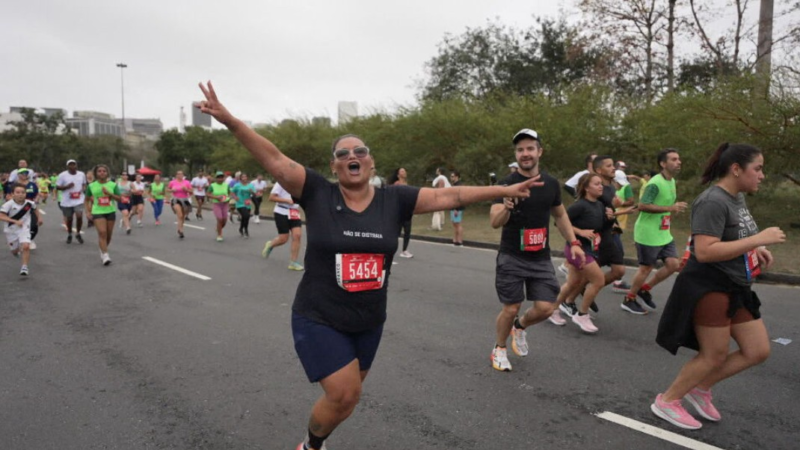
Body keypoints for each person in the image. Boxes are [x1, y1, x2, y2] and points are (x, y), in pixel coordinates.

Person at [197, 81, 543, 450]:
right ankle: (309, 448)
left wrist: (502, 190)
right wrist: (230, 120)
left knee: (347, 401)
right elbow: (275, 160)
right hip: (319, 316)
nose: (352, 156)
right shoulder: (317, 192)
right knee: (344, 393)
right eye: (343, 153)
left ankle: (315, 441)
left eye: (360, 151)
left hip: (368, 321)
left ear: (371, 161)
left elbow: (452, 194)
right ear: (334, 165)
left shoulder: (395, 199)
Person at [652, 143, 785, 430]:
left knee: (757, 350)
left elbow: (735, 236)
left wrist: (757, 247)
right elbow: (705, 251)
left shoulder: (737, 197)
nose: (762, 175)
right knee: (714, 354)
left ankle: (700, 389)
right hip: (708, 285)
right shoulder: (712, 201)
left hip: (736, 285)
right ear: (736, 169)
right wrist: (758, 239)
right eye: (758, 169)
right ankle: (668, 400)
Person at [489, 128, 585, 371]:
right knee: (511, 307)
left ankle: (520, 327)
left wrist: (574, 242)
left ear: (539, 152)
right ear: (516, 154)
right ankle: (499, 348)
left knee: (546, 308)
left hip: (540, 257)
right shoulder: (506, 184)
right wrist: (507, 207)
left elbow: (560, 215)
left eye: (530, 148)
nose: (525, 153)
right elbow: (495, 222)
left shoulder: (550, 184)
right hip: (511, 256)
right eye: (520, 149)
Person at [624, 149, 688, 312]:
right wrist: (670, 208)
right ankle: (629, 299)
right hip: (648, 233)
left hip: (663, 232)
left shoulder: (671, 181)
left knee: (673, 264)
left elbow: (665, 204)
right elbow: (643, 205)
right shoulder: (655, 183)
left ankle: (645, 289)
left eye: (678, 159)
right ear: (663, 164)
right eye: (674, 159)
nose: (678, 162)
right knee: (645, 268)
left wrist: (672, 209)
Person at [552, 173, 607, 333]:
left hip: (590, 249)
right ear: (586, 188)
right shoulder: (580, 206)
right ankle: (582, 315)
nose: (601, 186)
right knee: (599, 281)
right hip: (576, 249)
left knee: (573, 283)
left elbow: (598, 226)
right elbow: (558, 222)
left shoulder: (599, 205)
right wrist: (580, 232)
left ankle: (552, 309)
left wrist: (610, 217)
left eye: (601, 183)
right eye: (596, 184)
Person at [0, 184, 42, 275]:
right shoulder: (8, 204)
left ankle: (24, 267)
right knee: (14, 251)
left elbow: (35, 209)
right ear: (12, 194)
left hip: (24, 228)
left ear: (25, 194)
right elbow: (1, 216)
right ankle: (16, 251)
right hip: (11, 230)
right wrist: (14, 221)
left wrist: (39, 218)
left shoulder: (29, 203)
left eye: (23, 192)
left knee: (26, 246)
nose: (20, 194)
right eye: (18, 192)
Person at [262, 181, 305, 270]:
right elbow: (271, 197)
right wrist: (287, 200)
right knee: (283, 239)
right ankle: (271, 244)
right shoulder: (281, 183)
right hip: (281, 211)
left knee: (297, 235)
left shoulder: (299, 184)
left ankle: (293, 262)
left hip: (294, 213)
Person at [84, 165, 121, 265]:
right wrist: (87, 212)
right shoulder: (91, 186)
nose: (102, 173)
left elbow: (119, 199)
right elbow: (86, 199)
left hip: (110, 211)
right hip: (97, 211)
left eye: (104, 171)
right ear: (96, 173)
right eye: (99, 171)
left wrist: (109, 193)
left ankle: (102, 249)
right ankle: (105, 255)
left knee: (108, 235)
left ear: (107, 173)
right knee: (102, 233)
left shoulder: (113, 185)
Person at [56, 159, 87, 244]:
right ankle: (69, 233)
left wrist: (83, 189)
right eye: (70, 165)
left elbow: (84, 184)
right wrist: (67, 187)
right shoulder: (62, 175)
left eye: (74, 164)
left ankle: (78, 233)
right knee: (69, 218)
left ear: (76, 165)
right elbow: (57, 187)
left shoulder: (81, 174)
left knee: (79, 215)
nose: (72, 166)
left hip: (79, 199)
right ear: (67, 166)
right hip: (67, 200)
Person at [387, 168, 412, 258]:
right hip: (398, 211)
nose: (404, 172)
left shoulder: (406, 184)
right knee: (396, 232)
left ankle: (404, 250)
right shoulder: (396, 184)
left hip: (407, 211)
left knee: (407, 231)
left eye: (405, 171)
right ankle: (390, 250)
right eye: (402, 171)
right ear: (398, 175)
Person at [15, 169, 40, 249]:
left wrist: (36, 199)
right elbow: (9, 195)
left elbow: (37, 194)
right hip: (18, 208)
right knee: (20, 226)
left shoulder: (32, 184)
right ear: (18, 174)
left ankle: (30, 240)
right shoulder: (14, 185)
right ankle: (21, 241)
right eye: (22, 173)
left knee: (34, 226)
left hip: (30, 207)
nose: (24, 174)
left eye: (26, 173)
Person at [167, 171, 193, 239]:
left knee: (183, 216)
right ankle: (180, 230)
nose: (180, 175)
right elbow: (167, 189)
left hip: (184, 199)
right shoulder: (172, 182)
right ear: (176, 175)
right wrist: (172, 190)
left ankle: (180, 229)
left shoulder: (187, 182)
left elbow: (191, 191)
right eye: (178, 174)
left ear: (183, 175)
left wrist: (186, 189)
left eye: (181, 174)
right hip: (176, 199)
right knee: (180, 215)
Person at [207, 171, 231, 241]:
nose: (220, 179)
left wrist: (228, 199)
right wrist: (216, 197)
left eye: (221, 177)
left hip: (225, 204)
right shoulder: (212, 185)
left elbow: (229, 193)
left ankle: (218, 228)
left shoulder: (226, 185)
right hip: (217, 204)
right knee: (220, 219)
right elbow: (208, 194)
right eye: (219, 177)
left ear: (223, 178)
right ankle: (219, 235)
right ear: (216, 178)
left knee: (224, 220)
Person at [232, 173, 256, 238]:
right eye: (243, 177)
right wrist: (235, 197)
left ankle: (241, 228)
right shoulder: (237, 185)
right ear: (240, 178)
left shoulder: (250, 185)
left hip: (247, 203)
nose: (244, 178)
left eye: (245, 177)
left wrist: (252, 192)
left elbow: (255, 194)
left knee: (245, 217)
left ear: (247, 178)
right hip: (240, 203)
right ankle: (246, 230)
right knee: (246, 215)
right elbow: (232, 192)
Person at [449, 170, 464, 246]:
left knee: (458, 224)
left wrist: (456, 209)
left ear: (457, 177)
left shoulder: (459, 186)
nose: (451, 178)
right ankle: (455, 240)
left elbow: (458, 198)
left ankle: (460, 240)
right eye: (451, 176)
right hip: (453, 207)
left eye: (453, 176)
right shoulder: (454, 185)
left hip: (457, 208)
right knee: (454, 224)